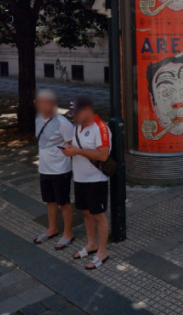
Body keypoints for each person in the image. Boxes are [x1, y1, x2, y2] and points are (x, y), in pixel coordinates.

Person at [62, 96, 111, 270]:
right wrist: (70, 150)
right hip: (80, 178)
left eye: (76, 113)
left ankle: (102, 251)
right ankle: (91, 244)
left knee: (98, 215)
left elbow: (103, 155)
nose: (74, 117)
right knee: (85, 212)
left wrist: (78, 151)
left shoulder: (101, 128)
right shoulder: (78, 127)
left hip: (96, 179)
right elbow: (76, 148)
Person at [32, 90, 76, 250]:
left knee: (63, 202)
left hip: (61, 170)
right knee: (50, 201)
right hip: (45, 168)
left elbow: (71, 147)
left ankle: (68, 233)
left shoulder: (63, 123)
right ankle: (52, 228)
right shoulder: (38, 119)